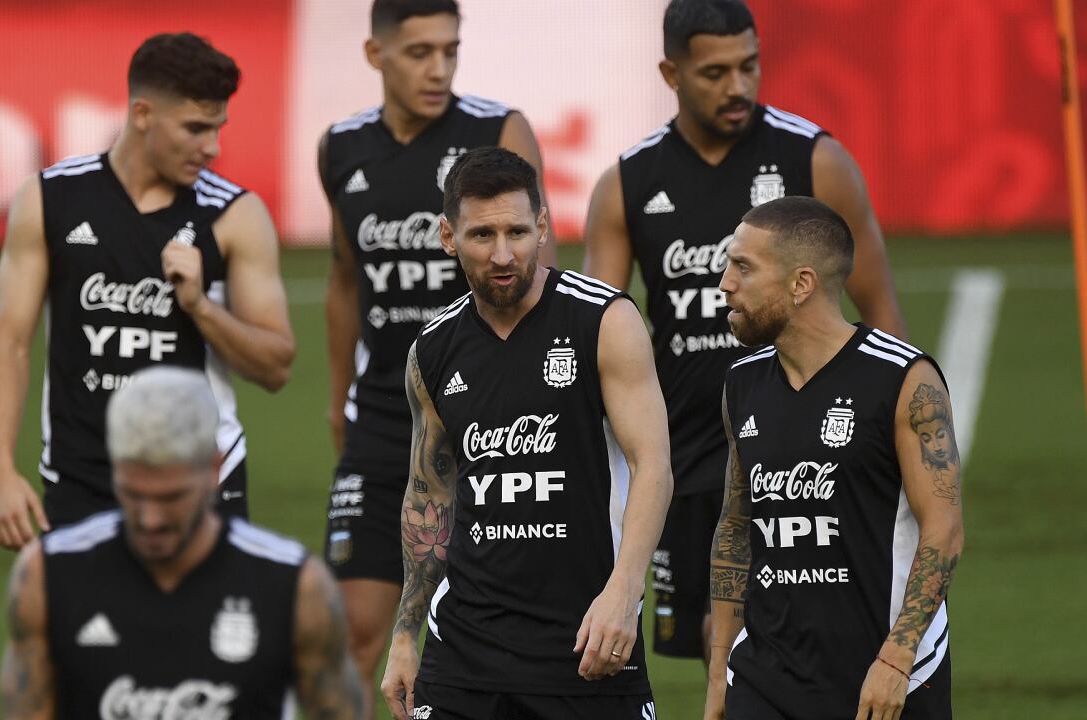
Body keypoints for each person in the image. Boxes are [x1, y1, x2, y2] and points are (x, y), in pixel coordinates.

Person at [581, 0, 906, 666]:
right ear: (671, 73)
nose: (737, 86)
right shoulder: (628, 184)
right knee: (720, 648)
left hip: (804, 437)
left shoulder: (815, 161)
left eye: (749, 66)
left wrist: (891, 434)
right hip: (689, 453)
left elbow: (880, 310)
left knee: (796, 629)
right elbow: (601, 330)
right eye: (715, 72)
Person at [318, 0, 555, 707]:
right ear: (375, 55)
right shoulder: (340, 146)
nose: (439, 68)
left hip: (487, 414)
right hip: (383, 421)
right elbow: (341, 277)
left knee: (493, 632)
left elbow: (541, 267)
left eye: (450, 50)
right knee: (358, 631)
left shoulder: (498, 129)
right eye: (419, 52)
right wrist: (339, 400)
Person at [378, 147, 671, 720]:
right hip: (463, 651)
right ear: (447, 237)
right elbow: (428, 496)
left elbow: (653, 466)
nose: (503, 254)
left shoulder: (603, 320)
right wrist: (406, 634)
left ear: (543, 226)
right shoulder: (433, 351)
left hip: (588, 643)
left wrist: (625, 591)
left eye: (518, 230)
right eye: (482, 235)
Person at [0, 32, 295, 546]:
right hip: (79, 477)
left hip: (201, 476)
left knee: (198, 629)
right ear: (143, 114)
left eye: (218, 128)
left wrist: (199, 306)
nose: (211, 148)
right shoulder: (50, 199)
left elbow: (276, 366)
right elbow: (10, 341)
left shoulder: (235, 215)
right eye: (195, 128)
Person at [705, 196, 963, 719]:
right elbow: (736, 528)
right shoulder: (742, 382)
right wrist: (718, 679)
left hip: (887, 676)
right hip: (765, 675)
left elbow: (944, 531)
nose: (724, 283)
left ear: (802, 284)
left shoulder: (903, 381)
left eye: (743, 267)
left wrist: (896, 660)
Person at [0, 366, 361, 719]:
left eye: (172, 497)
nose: (150, 519)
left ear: (215, 471)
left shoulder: (294, 587)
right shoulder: (49, 578)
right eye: (133, 494)